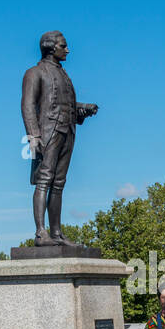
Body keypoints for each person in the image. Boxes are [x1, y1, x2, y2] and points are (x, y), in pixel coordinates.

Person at [20, 30, 99, 245]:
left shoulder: (63, 74)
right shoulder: (34, 73)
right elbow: (27, 105)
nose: (67, 50)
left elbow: (65, 103)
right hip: (47, 133)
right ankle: (41, 233)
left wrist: (83, 108)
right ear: (51, 47)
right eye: (63, 46)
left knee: (59, 183)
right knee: (44, 180)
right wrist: (33, 135)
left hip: (67, 131)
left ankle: (56, 234)